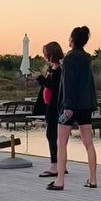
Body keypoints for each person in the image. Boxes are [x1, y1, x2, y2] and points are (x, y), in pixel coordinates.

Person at [47, 26, 98, 191]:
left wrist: (68, 107)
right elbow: (87, 84)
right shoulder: (86, 58)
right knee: (88, 143)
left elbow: (69, 85)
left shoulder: (69, 59)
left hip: (70, 106)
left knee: (61, 142)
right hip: (86, 105)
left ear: (73, 40)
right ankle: (93, 179)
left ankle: (60, 180)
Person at [36, 41, 64, 178]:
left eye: (46, 53)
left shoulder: (60, 69)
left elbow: (54, 86)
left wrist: (40, 78)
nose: (45, 56)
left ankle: (55, 166)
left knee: (53, 136)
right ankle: (60, 164)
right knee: (53, 136)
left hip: (55, 107)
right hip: (49, 106)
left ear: (52, 53)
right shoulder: (52, 68)